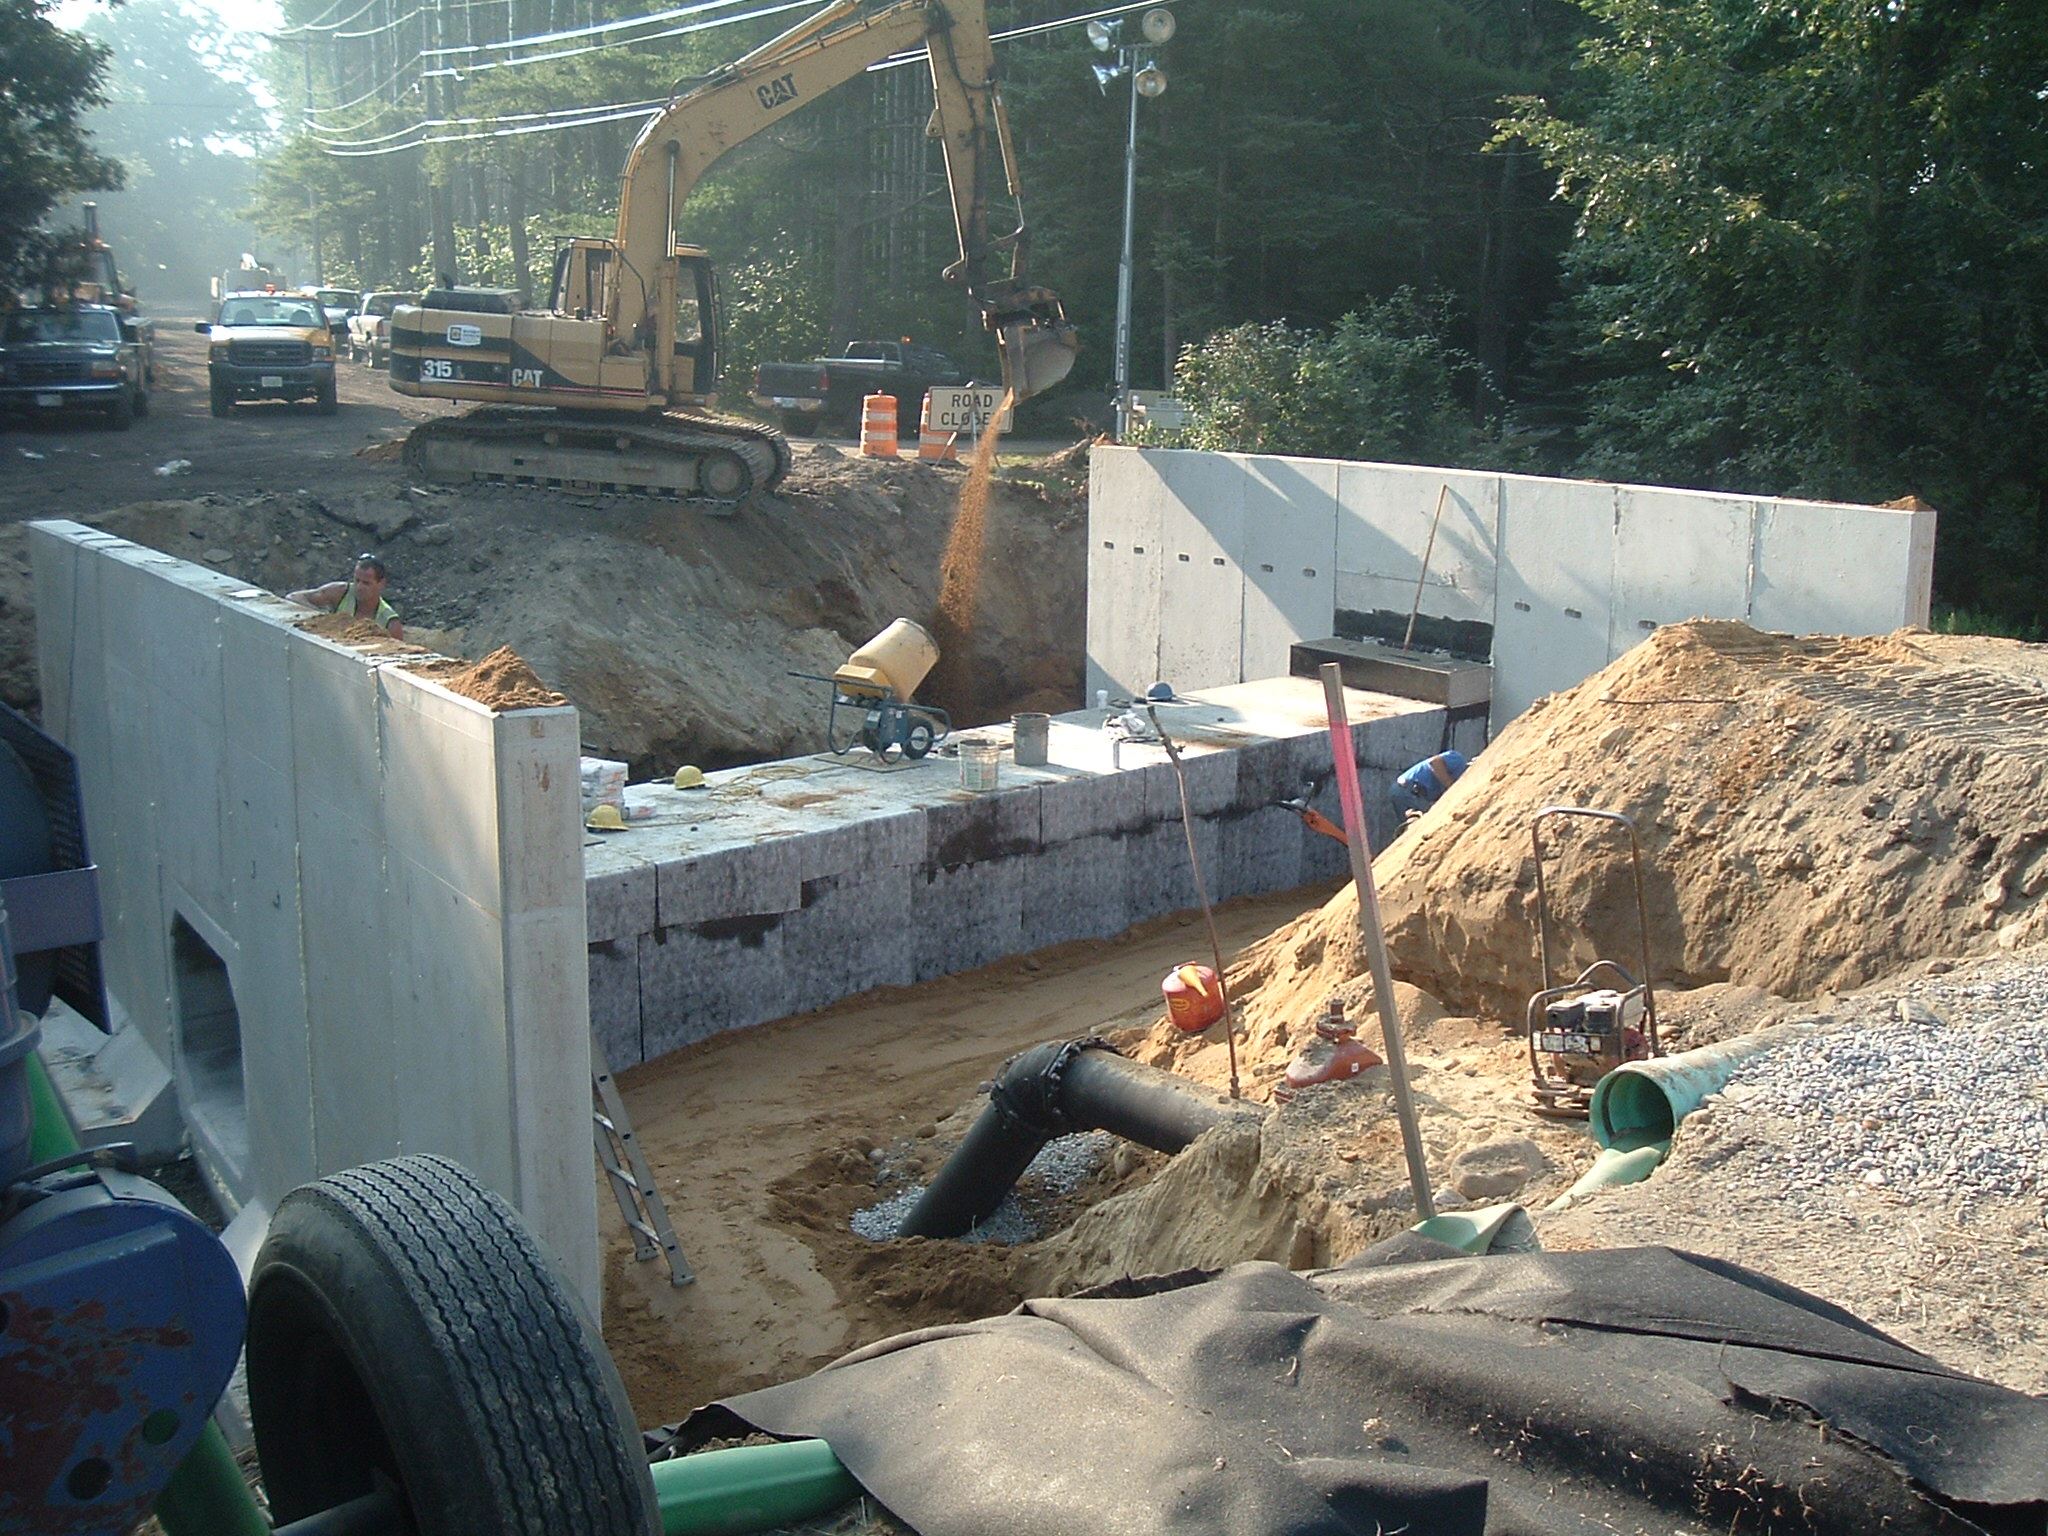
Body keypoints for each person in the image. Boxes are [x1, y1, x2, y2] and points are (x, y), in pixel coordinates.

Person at [288, 554, 404, 640]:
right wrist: (322, 619)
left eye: (366, 583)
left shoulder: (390, 623)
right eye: (357, 580)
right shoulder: (340, 592)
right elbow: (294, 597)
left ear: (381, 584)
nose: (359, 587)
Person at [1390, 749, 1468, 818]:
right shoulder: (1459, 761)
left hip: (1416, 794)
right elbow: (1434, 762)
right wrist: (1451, 786)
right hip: (1408, 789)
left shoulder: (1462, 781)